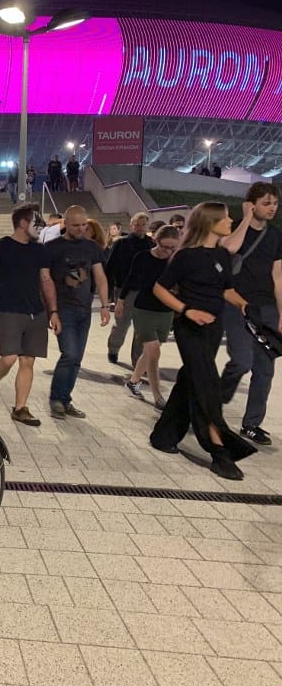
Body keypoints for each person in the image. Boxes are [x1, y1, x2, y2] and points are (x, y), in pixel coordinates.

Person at [149, 201, 257, 480]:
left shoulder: (221, 255)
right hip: (190, 328)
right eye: (226, 218)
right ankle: (220, 451)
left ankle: (163, 436)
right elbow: (159, 288)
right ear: (211, 222)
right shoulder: (186, 256)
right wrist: (186, 310)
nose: (230, 221)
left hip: (213, 328)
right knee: (206, 384)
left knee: (192, 378)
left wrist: (244, 305)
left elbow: (226, 290)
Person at [0, 203, 58, 426]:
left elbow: (46, 280)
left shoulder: (40, 250)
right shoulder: (0, 247)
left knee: (28, 361)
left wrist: (53, 311)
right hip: (9, 311)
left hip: (36, 312)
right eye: (36, 221)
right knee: (9, 358)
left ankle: (20, 408)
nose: (40, 226)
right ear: (23, 223)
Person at [219, 182, 281, 445]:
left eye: (275, 203)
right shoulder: (233, 227)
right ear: (251, 204)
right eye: (266, 203)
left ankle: (252, 424)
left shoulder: (276, 236)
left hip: (266, 307)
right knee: (242, 361)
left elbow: (278, 277)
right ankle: (214, 402)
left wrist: (281, 314)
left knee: (265, 370)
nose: (272, 208)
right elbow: (229, 248)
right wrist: (245, 219)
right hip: (236, 304)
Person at [42, 205, 112, 419]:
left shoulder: (92, 247)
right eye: (75, 225)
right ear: (65, 224)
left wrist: (105, 305)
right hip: (64, 309)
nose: (81, 229)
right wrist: (52, 311)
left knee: (77, 358)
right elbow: (45, 280)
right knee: (70, 354)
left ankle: (65, 399)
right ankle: (56, 398)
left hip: (85, 309)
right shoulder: (52, 248)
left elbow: (100, 277)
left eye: (83, 224)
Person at [119, 225, 181, 409]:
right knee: (154, 352)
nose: (167, 251)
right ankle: (158, 396)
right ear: (156, 241)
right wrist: (121, 300)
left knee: (149, 352)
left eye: (172, 248)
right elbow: (131, 279)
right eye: (164, 246)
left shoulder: (176, 260)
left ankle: (133, 381)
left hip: (166, 311)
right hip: (144, 309)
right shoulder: (143, 257)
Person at [105, 212, 153, 365]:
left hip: (145, 291)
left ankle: (137, 359)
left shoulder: (151, 244)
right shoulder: (121, 243)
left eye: (143, 224)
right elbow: (110, 267)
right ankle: (113, 349)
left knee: (142, 327)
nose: (140, 227)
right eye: (137, 224)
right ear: (131, 225)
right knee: (122, 324)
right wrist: (108, 293)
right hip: (123, 290)